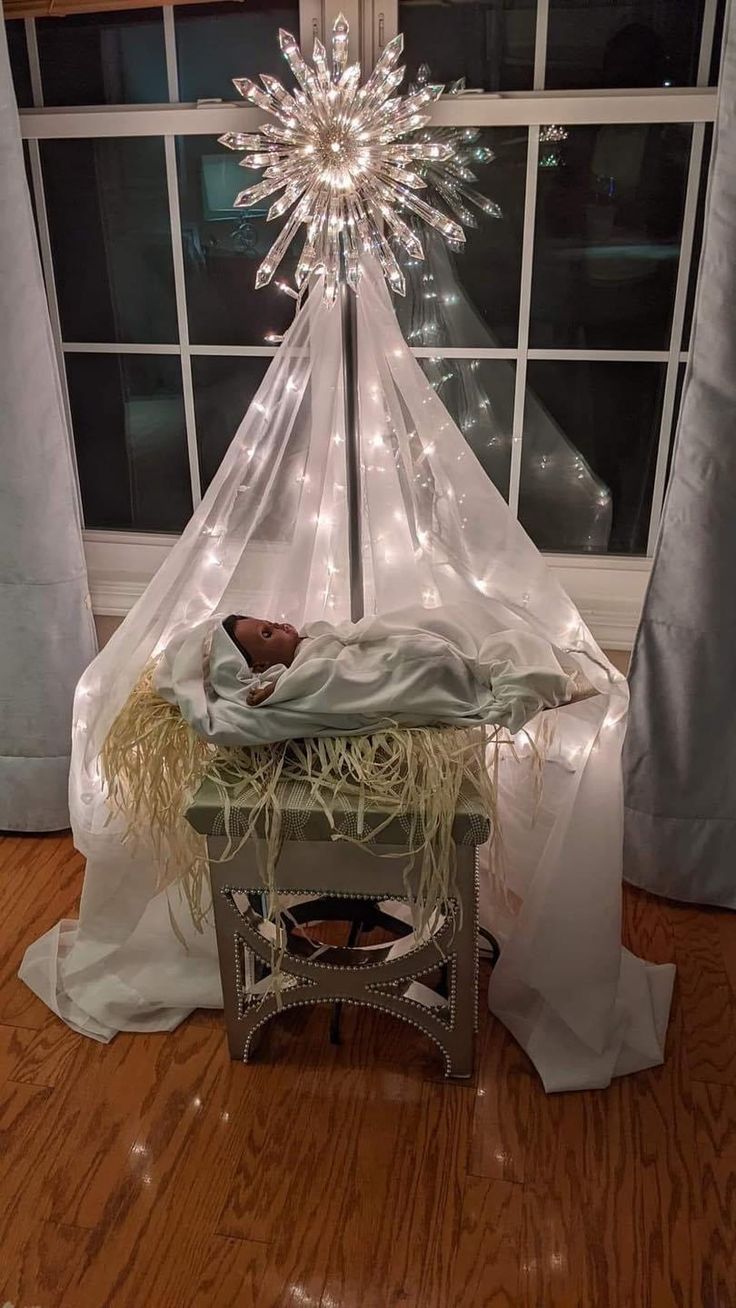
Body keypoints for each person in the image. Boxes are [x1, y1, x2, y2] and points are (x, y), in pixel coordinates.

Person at [154, 603, 581, 747]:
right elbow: (331, 683)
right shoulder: (291, 678)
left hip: (385, 651)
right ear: (260, 666)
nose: (281, 625)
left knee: (430, 636)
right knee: (419, 660)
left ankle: (479, 670)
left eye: (270, 621)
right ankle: (481, 683)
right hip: (384, 670)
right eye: (267, 633)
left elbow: (344, 639)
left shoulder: (314, 638)